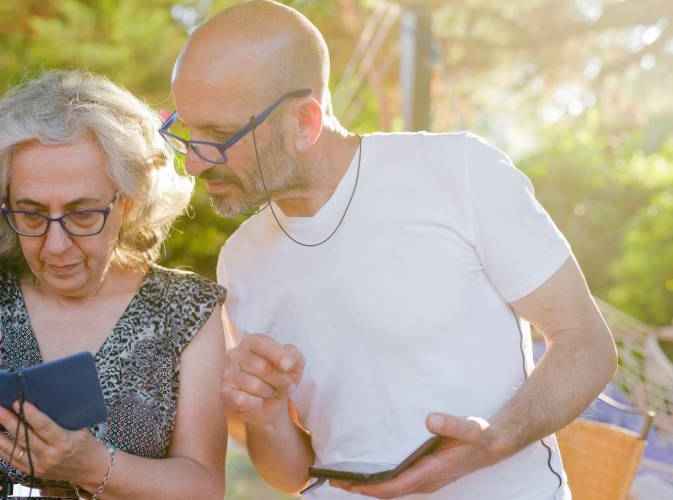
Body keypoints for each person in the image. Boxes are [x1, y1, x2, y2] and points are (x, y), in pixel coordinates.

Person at [162, 1, 618, 499]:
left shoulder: (459, 171)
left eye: (221, 136)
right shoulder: (241, 259)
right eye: (187, 131)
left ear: (305, 122)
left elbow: (586, 345)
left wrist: (498, 440)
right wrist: (267, 415)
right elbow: (291, 476)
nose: (194, 165)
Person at [0, 70, 227, 499]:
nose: (55, 245)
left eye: (82, 214)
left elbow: (204, 488)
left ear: (127, 201)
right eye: (31, 214)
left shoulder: (186, 310)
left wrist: (91, 466)